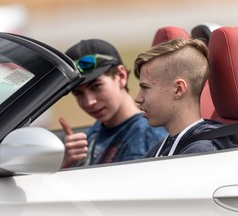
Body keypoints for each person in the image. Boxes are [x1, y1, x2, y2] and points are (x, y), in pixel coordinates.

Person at [60, 39, 167, 168]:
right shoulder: (94, 132)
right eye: (78, 93)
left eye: (96, 87)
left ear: (121, 76)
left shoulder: (146, 136)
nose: (89, 102)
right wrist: (67, 164)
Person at [134, 38, 238, 158]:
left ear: (178, 89)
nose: (138, 98)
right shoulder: (161, 146)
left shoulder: (200, 152)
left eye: (145, 87)